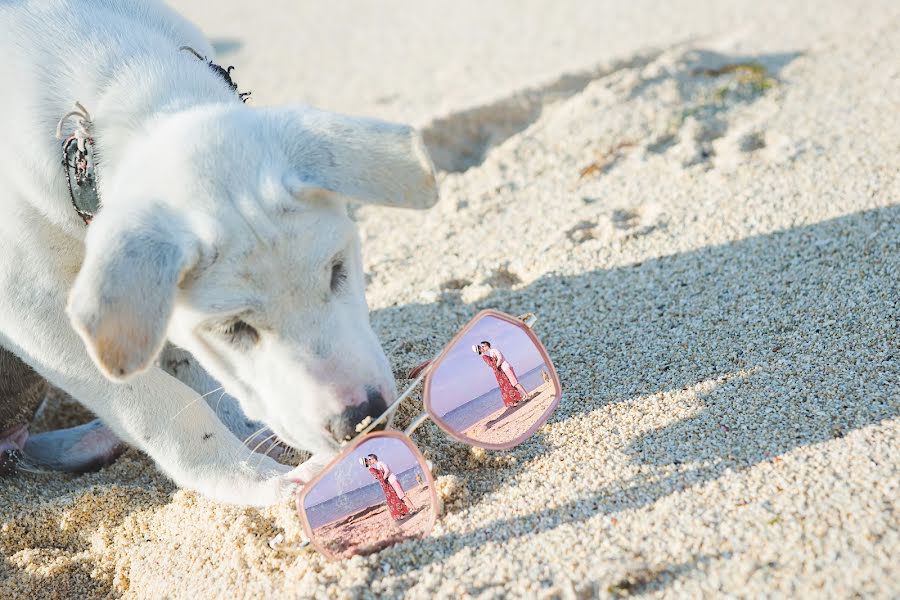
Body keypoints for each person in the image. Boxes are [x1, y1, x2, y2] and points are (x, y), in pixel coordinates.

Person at [473, 343, 523, 407]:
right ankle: (513, 402)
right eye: (481, 347)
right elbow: (491, 364)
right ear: (480, 350)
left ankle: (514, 400)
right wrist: (494, 357)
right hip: (498, 371)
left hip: (498, 370)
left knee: (507, 384)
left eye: (482, 347)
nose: (482, 348)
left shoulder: (485, 356)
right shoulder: (484, 356)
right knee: (506, 385)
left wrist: (494, 358)